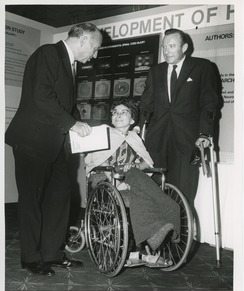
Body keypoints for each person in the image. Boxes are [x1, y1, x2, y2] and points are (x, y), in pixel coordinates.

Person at [5, 23, 103, 276]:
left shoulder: (69, 64)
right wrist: (72, 123)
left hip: (57, 142)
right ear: (82, 39)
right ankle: (31, 258)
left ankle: (52, 253)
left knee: (60, 198)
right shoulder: (47, 53)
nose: (94, 55)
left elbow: (63, 105)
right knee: (32, 201)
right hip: (33, 141)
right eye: (94, 48)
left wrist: (83, 126)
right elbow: (41, 95)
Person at [85, 98, 180, 267]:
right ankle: (166, 214)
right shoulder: (103, 133)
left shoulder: (135, 138)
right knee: (140, 189)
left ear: (133, 120)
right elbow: (93, 161)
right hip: (106, 182)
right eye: (115, 113)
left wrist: (135, 165)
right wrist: (116, 167)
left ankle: (140, 249)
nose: (118, 115)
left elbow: (147, 163)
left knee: (139, 191)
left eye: (124, 112)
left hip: (130, 184)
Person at [139, 28, 218, 208]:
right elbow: (145, 103)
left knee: (182, 193)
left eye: (172, 46)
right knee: (155, 192)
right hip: (157, 141)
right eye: (164, 47)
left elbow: (209, 103)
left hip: (187, 141)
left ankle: (181, 234)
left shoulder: (202, 67)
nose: (166, 51)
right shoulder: (155, 71)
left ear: (185, 47)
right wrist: (138, 127)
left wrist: (205, 133)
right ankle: (159, 234)